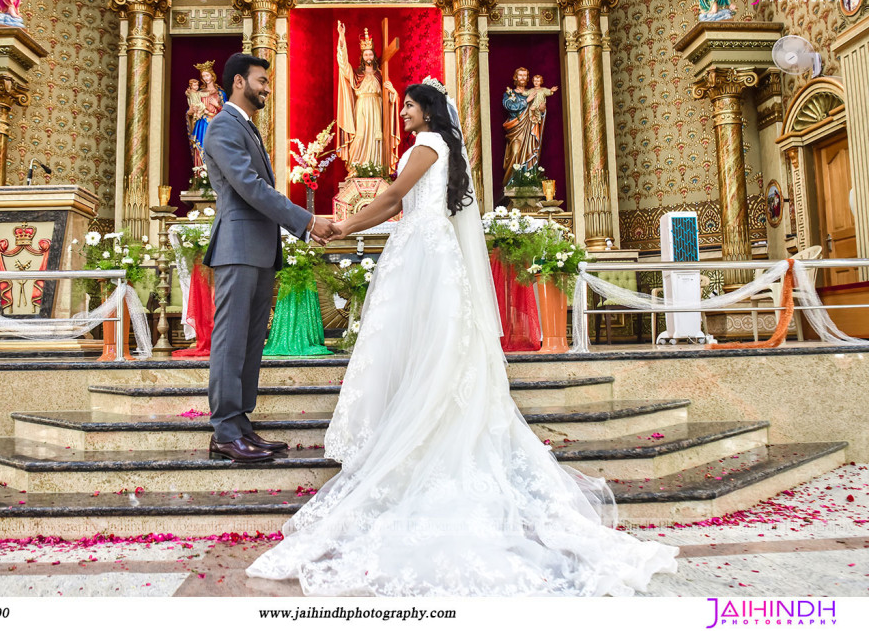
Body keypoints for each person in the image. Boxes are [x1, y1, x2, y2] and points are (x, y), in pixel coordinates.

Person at [247, 77, 679, 596]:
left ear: (429, 111)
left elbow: (390, 199)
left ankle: (417, 436)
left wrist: (342, 227)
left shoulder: (427, 145)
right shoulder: (442, 147)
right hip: (428, 252)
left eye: (408, 105)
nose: (402, 112)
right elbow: (399, 203)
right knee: (433, 348)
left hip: (423, 256)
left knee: (424, 348)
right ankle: (418, 425)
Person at [201, 53, 338, 463]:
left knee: (249, 341)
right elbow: (249, 187)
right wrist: (307, 221)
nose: (266, 87)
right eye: (262, 80)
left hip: (258, 248)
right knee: (231, 340)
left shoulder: (247, 128)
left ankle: (240, 424)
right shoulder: (223, 126)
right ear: (239, 82)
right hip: (238, 247)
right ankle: (224, 430)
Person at [336, 22, 399, 175]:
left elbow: (389, 95)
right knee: (361, 134)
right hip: (362, 106)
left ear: (374, 56)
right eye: (366, 54)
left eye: (370, 54)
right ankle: (357, 167)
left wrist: (393, 92)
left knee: (378, 136)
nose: (368, 56)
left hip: (377, 107)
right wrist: (342, 37)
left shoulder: (381, 73)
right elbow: (343, 64)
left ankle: (376, 168)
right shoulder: (356, 74)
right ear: (362, 56)